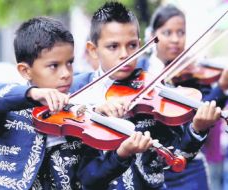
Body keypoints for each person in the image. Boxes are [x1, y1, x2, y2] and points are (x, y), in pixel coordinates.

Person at [0, 16, 154, 190]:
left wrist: (121, 154)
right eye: (54, 65)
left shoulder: (80, 114)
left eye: (69, 63)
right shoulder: (8, 110)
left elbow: (90, 180)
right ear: (25, 71)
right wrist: (33, 93)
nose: (66, 73)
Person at [70, 2, 221, 189]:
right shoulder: (79, 90)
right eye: (113, 47)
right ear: (93, 50)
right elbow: (87, 179)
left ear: (140, 45)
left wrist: (197, 129)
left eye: (132, 45)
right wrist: (93, 110)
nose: (124, 54)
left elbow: (177, 160)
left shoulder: (153, 88)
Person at [137, 4, 228, 190]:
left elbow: (205, 111)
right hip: (148, 170)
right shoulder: (140, 71)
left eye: (181, 33)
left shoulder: (192, 75)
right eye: (167, 32)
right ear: (152, 35)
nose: (175, 39)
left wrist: (222, 87)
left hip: (188, 167)